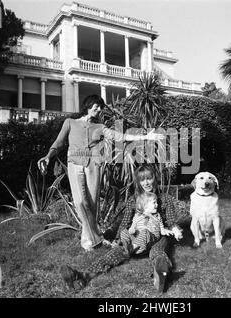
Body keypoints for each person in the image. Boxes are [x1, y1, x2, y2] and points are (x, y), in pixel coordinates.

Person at [37, 95, 162, 251]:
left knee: (93, 204)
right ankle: (97, 237)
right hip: (75, 164)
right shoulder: (70, 123)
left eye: (100, 107)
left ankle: (87, 240)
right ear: (88, 105)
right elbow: (59, 142)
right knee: (80, 203)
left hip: (94, 166)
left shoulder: (100, 127)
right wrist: (48, 156)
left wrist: (145, 137)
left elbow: (120, 137)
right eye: (96, 105)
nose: (98, 109)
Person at [60, 164, 184, 293]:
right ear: (138, 182)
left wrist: (175, 229)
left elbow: (170, 220)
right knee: (119, 251)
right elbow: (126, 221)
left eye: (149, 178)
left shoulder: (165, 199)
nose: (146, 183)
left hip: (158, 236)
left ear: (155, 178)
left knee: (158, 250)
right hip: (137, 237)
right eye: (142, 179)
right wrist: (119, 238)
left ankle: (161, 272)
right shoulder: (134, 200)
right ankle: (83, 277)